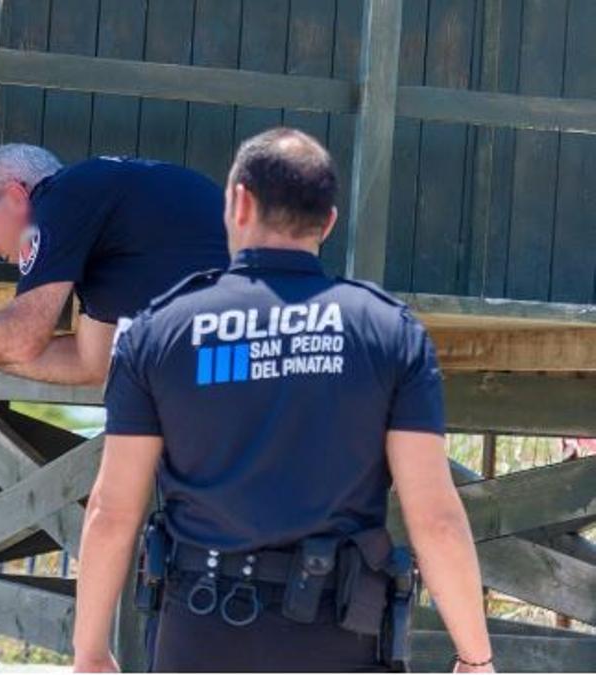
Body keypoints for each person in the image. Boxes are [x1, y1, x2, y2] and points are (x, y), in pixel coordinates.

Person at [72, 128, 493, 672]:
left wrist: (89, 654)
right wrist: (475, 658)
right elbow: (434, 517)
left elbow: (111, 511)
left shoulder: (160, 331)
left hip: (199, 632)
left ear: (239, 202)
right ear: (329, 222)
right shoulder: (388, 332)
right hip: (335, 639)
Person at [0, 144, 227, 385]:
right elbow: (90, 364)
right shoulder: (102, 222)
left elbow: (23, 338)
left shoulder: (61, 195)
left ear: (15, 197)